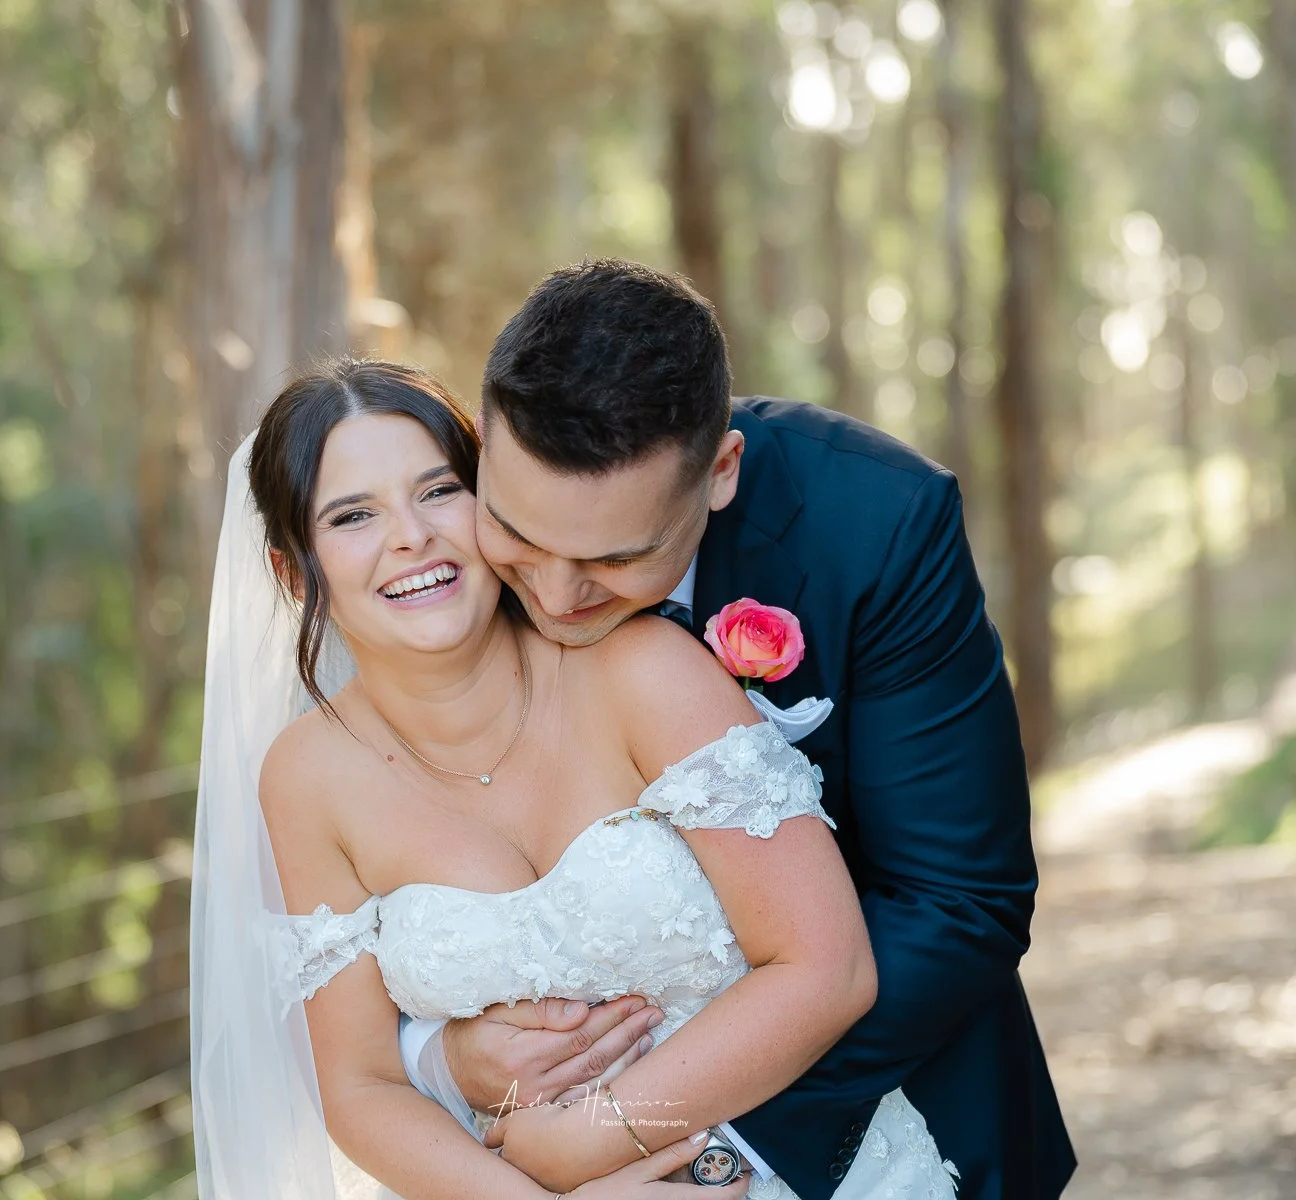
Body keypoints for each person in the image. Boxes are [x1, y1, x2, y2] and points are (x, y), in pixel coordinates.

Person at [188, 359, 959, 1199]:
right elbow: (360, 1086)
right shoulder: (306, 777)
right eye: (352, 515)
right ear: (297, 573)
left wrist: (594, 1140)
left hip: (806, 1168)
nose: (409, 536)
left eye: (439, 491)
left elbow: (826, 968)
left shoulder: (643, 670)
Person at [396, 261, 1074, 1200]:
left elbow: (960, 901)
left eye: (615, 559)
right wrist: (444, 1054)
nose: (554, 597)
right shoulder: (434, 569)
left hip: (876, 1126)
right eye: (518, 535)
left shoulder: (874, 528)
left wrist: (665, 1139)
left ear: (720, 473)